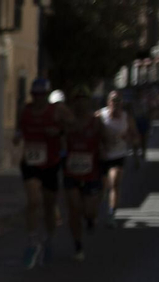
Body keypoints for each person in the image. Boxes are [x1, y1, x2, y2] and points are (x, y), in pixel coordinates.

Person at [16, 77, 73, 269]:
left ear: (47, 95)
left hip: (50, 162)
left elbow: (73, 127)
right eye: (35, 94)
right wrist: (17, 137)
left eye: (41, 95)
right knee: (33, 201)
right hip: (30, 162)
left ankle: (48, 239)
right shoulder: (26, 111)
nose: (38, 98)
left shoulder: (57, 110)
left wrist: (58, 132)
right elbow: (19, 131)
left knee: (49, 205)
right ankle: (33, 241)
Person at [62, 90, 105, 262]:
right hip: (71, 171)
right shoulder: (67, 124)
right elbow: (60, 141)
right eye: (77, 102)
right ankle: (78, 245)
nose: (80, 105)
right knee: (74, 209)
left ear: (88, 104)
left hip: (91, 171)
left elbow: (105, 139)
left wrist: (105, 148)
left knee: (89, 210)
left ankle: (90, 219)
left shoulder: (96, 123)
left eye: (83, 101)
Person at [98, 91, 140, 226]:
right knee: (102, 187)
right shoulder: (100, 116)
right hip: (102, 156)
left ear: (122, 103)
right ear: (108, 102)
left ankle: (111, 213)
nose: (115, 104)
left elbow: (136, 137)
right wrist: (101, 146)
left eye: (118, 101)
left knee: (115, 182)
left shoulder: (127, 118)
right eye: (113, 100)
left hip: (118, 155)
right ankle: (96, 211)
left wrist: (128, 139)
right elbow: (91, 134)